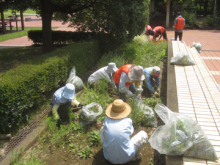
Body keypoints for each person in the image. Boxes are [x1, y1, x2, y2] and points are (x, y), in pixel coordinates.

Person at [100, 99, 148, 164]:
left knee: (102, 129)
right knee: (143, 134)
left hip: (108, 157)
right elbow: (130, 133)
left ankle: (110, 149)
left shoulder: (106, 120)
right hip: (126, 157)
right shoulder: (128, 121)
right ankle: (133, 156)